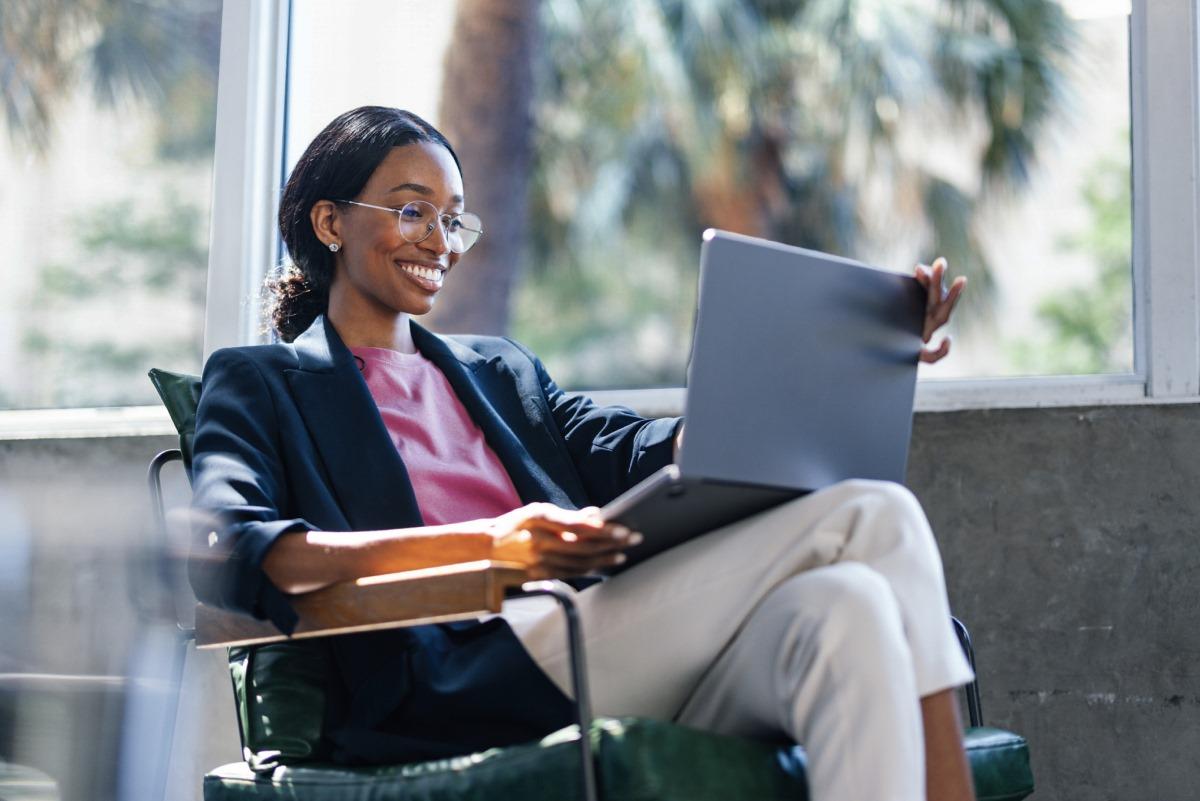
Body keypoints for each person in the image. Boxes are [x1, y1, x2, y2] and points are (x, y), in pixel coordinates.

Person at [190, 105, 973, 801]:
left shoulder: (500, 370)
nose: (439, 240)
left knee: (850, 609)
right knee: (877, 510)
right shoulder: (264, 381)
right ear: (330, 223)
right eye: (411, 211)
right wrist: (489, 546)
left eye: (454, 220)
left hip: (595, 646)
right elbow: (227, 546)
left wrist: (864, 349)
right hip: (451, 678)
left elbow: (643, 451)